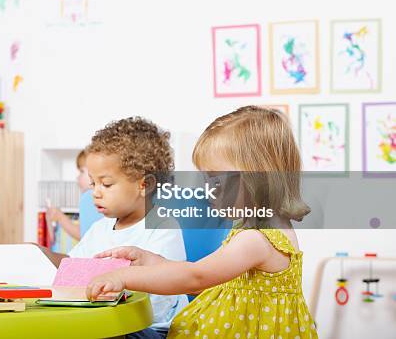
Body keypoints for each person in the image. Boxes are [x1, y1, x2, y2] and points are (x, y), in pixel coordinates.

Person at [87, 106, 317, 339]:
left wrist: (123, 277)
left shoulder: (257, 239)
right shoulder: (257, 229)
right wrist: (150, 260)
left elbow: (196, 278)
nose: (209, 191)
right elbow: (201, 270)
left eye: (216, 180)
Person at [42, 117, 188, 337]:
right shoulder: (100, 229)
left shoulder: (163, 227)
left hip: (149, 328)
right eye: (93, 183)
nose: (96, 192)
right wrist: (42, 255)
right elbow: (73, 267)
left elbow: (159, 304)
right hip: (102, 321)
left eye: (106, 184)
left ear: (144, 185)